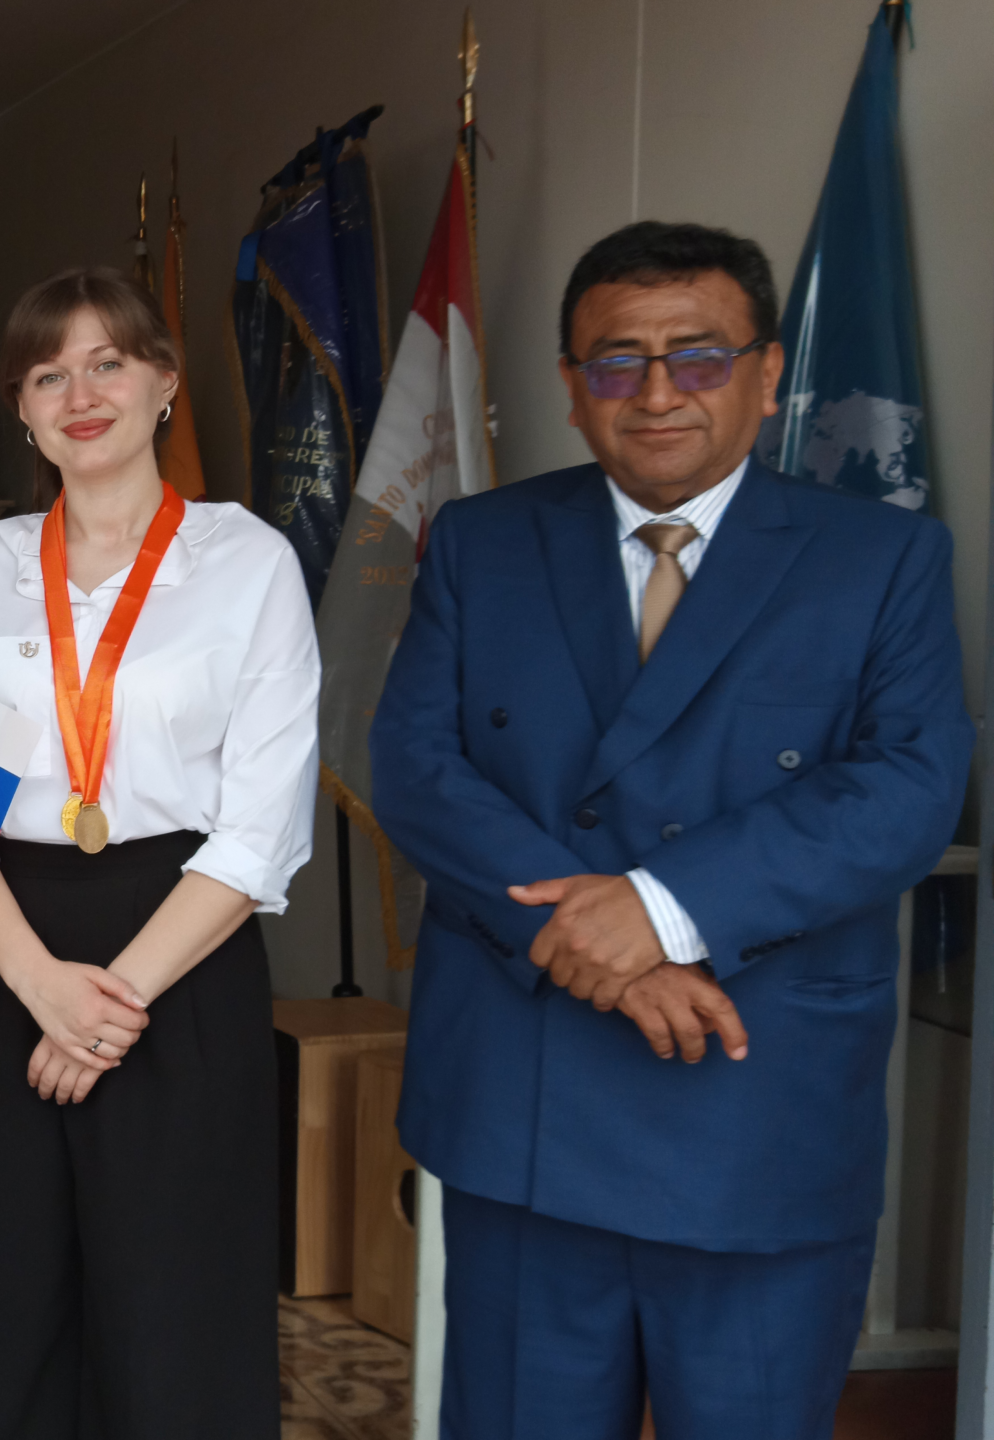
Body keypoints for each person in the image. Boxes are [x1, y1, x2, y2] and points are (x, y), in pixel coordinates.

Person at [371, 221, 972, 1439]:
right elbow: (417, 767)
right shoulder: (482, 543)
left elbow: (910, 785)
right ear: (569, 388)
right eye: (615, 362)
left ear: (764, 373)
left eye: (696, 356)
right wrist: (606, 938)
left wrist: (657, 909)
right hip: (523, 1101)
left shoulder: (883, 559)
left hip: (757, 1109)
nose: (655, 394)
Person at [0, 265, 317, 1438]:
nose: (79, 393)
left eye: (107, 362)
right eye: (48, 373)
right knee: (0, 1310)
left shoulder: (249, 565)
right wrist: (42, 989)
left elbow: (259, 828)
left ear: (164, 384)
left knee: (175, 1314)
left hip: (178, 956)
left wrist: (114, 1001)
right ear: (20, 409)